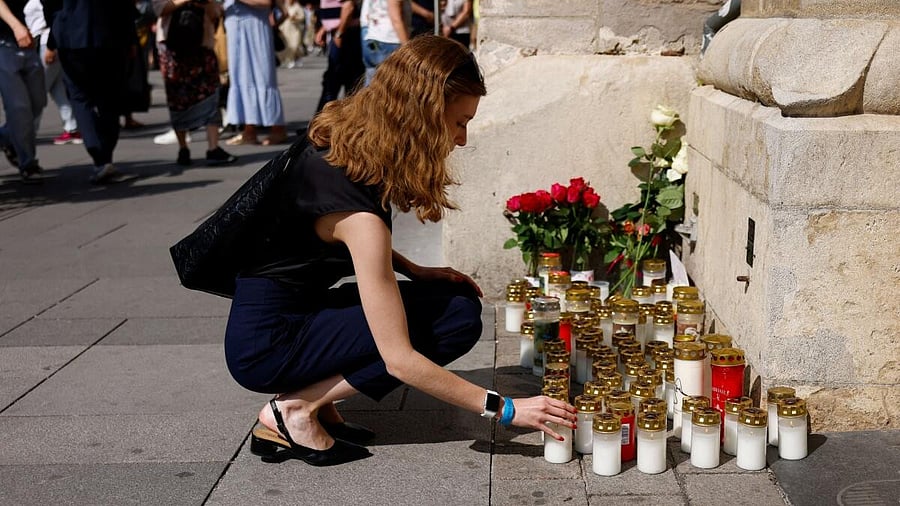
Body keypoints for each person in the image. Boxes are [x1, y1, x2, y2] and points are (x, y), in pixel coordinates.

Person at [224, 35, 577, 466]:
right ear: (425, 116)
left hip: (286, 316)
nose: (462, 140)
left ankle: (317, 400)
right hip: (269, 346)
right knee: (454, 320)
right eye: (459, 122)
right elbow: (400, 361)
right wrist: (506, 409)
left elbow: (315, 232)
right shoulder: (359, 213)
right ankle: (295, 409)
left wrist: (413, 269)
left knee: (454, 302)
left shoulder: (342, 142)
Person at [42, 0, 138, 184]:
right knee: (109, 97)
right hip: (108, 34)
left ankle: (99, 156)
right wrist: (131, 37)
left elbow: (49, 4)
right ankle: (105, 156)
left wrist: (53, 37)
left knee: (80, 97)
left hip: (71, 35)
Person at [153, 0, 237, 166]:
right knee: (177, 99)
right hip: (172, 48)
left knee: (211, 94)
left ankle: (213, 148)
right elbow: (159, 9)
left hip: (202, 44)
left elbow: (215, 13)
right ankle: (183, 147)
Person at [223, 0, 288, 146]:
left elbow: (266, 2)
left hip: (255, 26)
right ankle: (249, 131)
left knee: (262, 76)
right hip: (235, 26)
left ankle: (278, 129)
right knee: (240, 78)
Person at [0, 0, 46, 183]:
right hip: (4, 44)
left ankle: (6, 136)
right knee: (19, 108)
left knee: (38, 101)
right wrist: (16, 25)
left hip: (27, 42)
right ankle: (28, 162)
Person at [23, 0, 80, 145]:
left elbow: (54, 17)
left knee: (37, 90)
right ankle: (72, 128)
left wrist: (51, 47)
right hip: (45, 42)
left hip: (47, 42)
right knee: (58, 90)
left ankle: (28, 132)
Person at [314, 0, 364, 111]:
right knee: (338, 81)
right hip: (341, 32)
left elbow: (348, 7)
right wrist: (324, 28)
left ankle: (324, 123)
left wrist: (339, 33)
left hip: (346, 34)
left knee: (336, 82)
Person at [360, 0, 410, 85]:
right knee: (390, 86)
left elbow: (366, 17)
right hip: (389, 41)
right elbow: (396, 19)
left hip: (372, 39)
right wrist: (407, 48)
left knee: (371, 83)